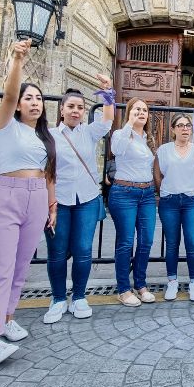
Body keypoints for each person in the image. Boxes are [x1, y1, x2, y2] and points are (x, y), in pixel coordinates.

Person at [0, 39, 57, 364]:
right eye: (29, 98)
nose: (35, 102)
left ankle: (8, 318)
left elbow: (50, 173)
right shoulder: (6, 125)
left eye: (39, 98)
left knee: (20, 267)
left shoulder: (44, 137)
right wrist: (16, 61)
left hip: (37, 199)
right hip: (9, 195)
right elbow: (9, 93)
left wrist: (51, 206)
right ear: (18, 104)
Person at [42, 77, 115, 324]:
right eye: (71, 106)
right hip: (58, 201)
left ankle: (80, 297)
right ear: (61, 110)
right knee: (57, 252)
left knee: (84, 250)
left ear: (84, 112)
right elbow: (45, 171)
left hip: (86, 199)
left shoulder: (89, 132)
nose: (75, 111)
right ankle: (58, 298)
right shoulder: (49, 135)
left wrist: (107, 92)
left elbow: (107, 120)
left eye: (80, 107)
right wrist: (49, 204)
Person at [155, 115, 194, 302]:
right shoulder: (164, 149)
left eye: (188, 126)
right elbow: (158, 173)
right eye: (180, 126)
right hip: (169, 201)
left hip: (191, 201)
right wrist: (161, 192)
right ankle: (172, 281)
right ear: (173, 129)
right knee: (171, 244)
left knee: (192, 244)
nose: (185, 129)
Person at [109, 97, 157, 307]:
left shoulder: (148, 139)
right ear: (129, 112)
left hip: (146, 194)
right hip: (124, 193)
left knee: (146, 240)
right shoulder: (121, 134)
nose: (141, 112)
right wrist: (129, 123)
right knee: (126, 242)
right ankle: (123, 288)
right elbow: (116, 150)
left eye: (144, 110)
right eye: (137, 109)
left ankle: (140, 284)